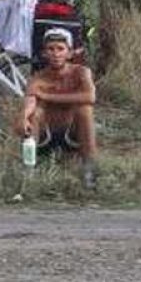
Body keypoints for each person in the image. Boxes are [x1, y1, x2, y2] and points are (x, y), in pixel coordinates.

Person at [17, 28, 99, 190]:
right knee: (35, 113)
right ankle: (28, 173)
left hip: (72, 133)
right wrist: (23, 117)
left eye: (60, 49)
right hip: (46, 134)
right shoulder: (38, 78)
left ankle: (90, 172)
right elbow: (30, 101)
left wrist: (48, 96)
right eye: (51, 49)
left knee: (85, 110)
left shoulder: (81, 72)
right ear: (44, 54)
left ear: (69, 53)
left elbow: (90, 97)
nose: (55, 54)